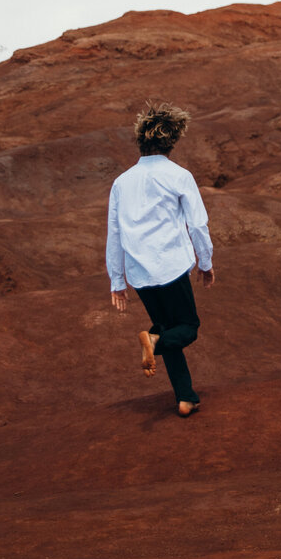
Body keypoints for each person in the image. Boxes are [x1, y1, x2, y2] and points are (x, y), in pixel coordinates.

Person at [107, 101, 214, 418]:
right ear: (172, 141)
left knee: (169, 327)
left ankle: (185, 397)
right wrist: (205, 264)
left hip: (139, 273)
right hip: (171, 266)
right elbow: (197, 224)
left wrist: (117, 281)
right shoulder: (179, 175)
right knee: (188, 328)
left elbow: (114, 233)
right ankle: (152, 342)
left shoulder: (121, 182)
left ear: (141, 141)